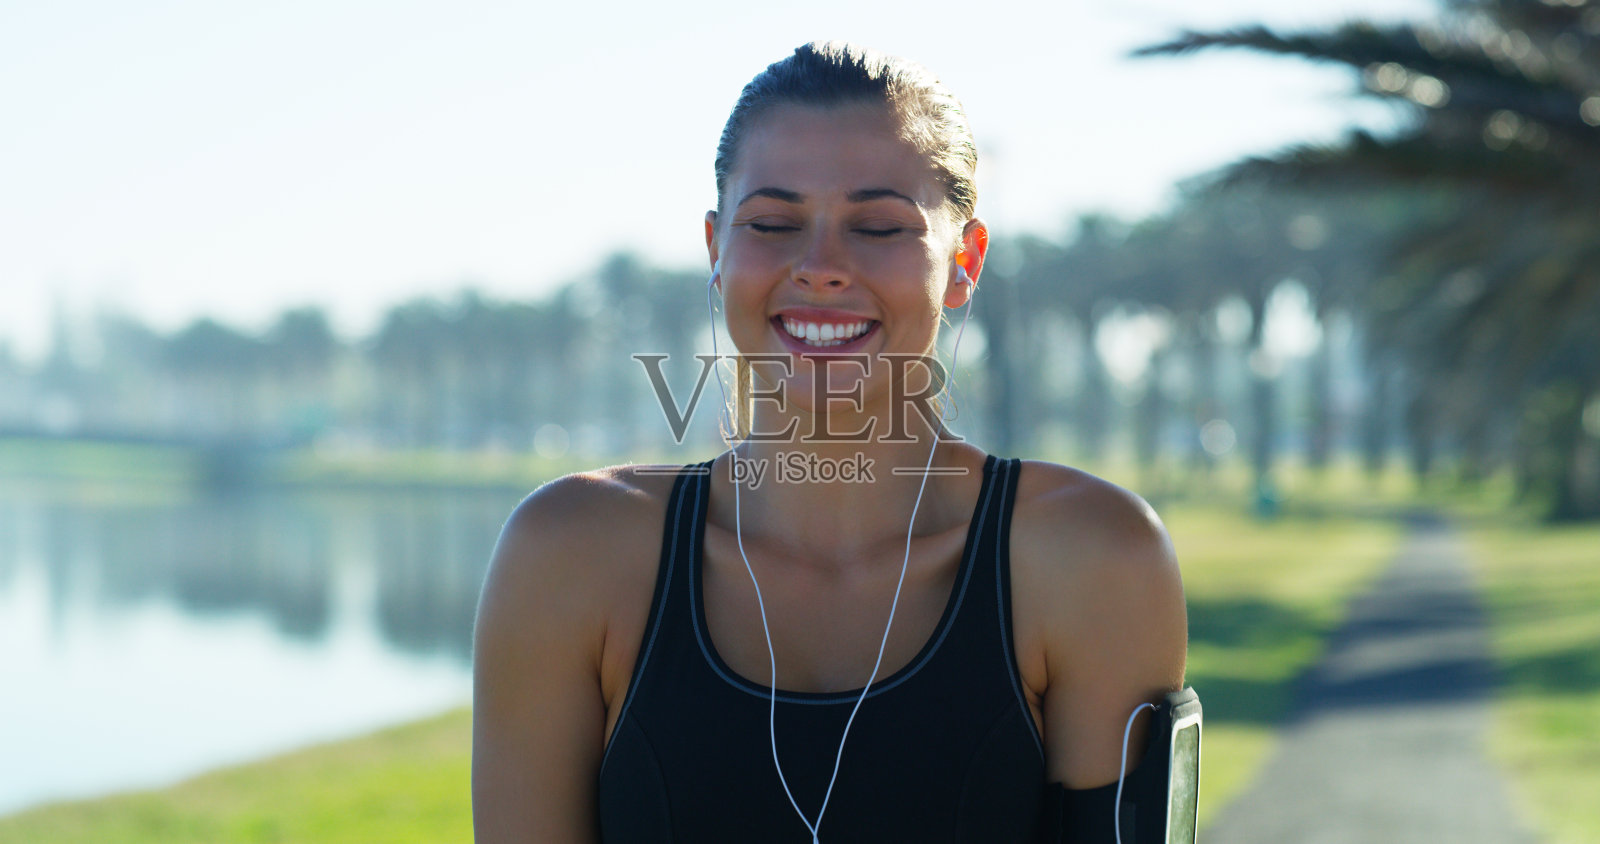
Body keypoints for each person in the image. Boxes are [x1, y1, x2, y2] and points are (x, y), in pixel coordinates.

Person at [472, 41, 1188, 843]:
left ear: (964, 261)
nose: (820, 267)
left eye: (879, 226)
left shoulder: (1090, 557)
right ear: (717, 250)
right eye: (773, 222)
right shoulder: (571, 553)